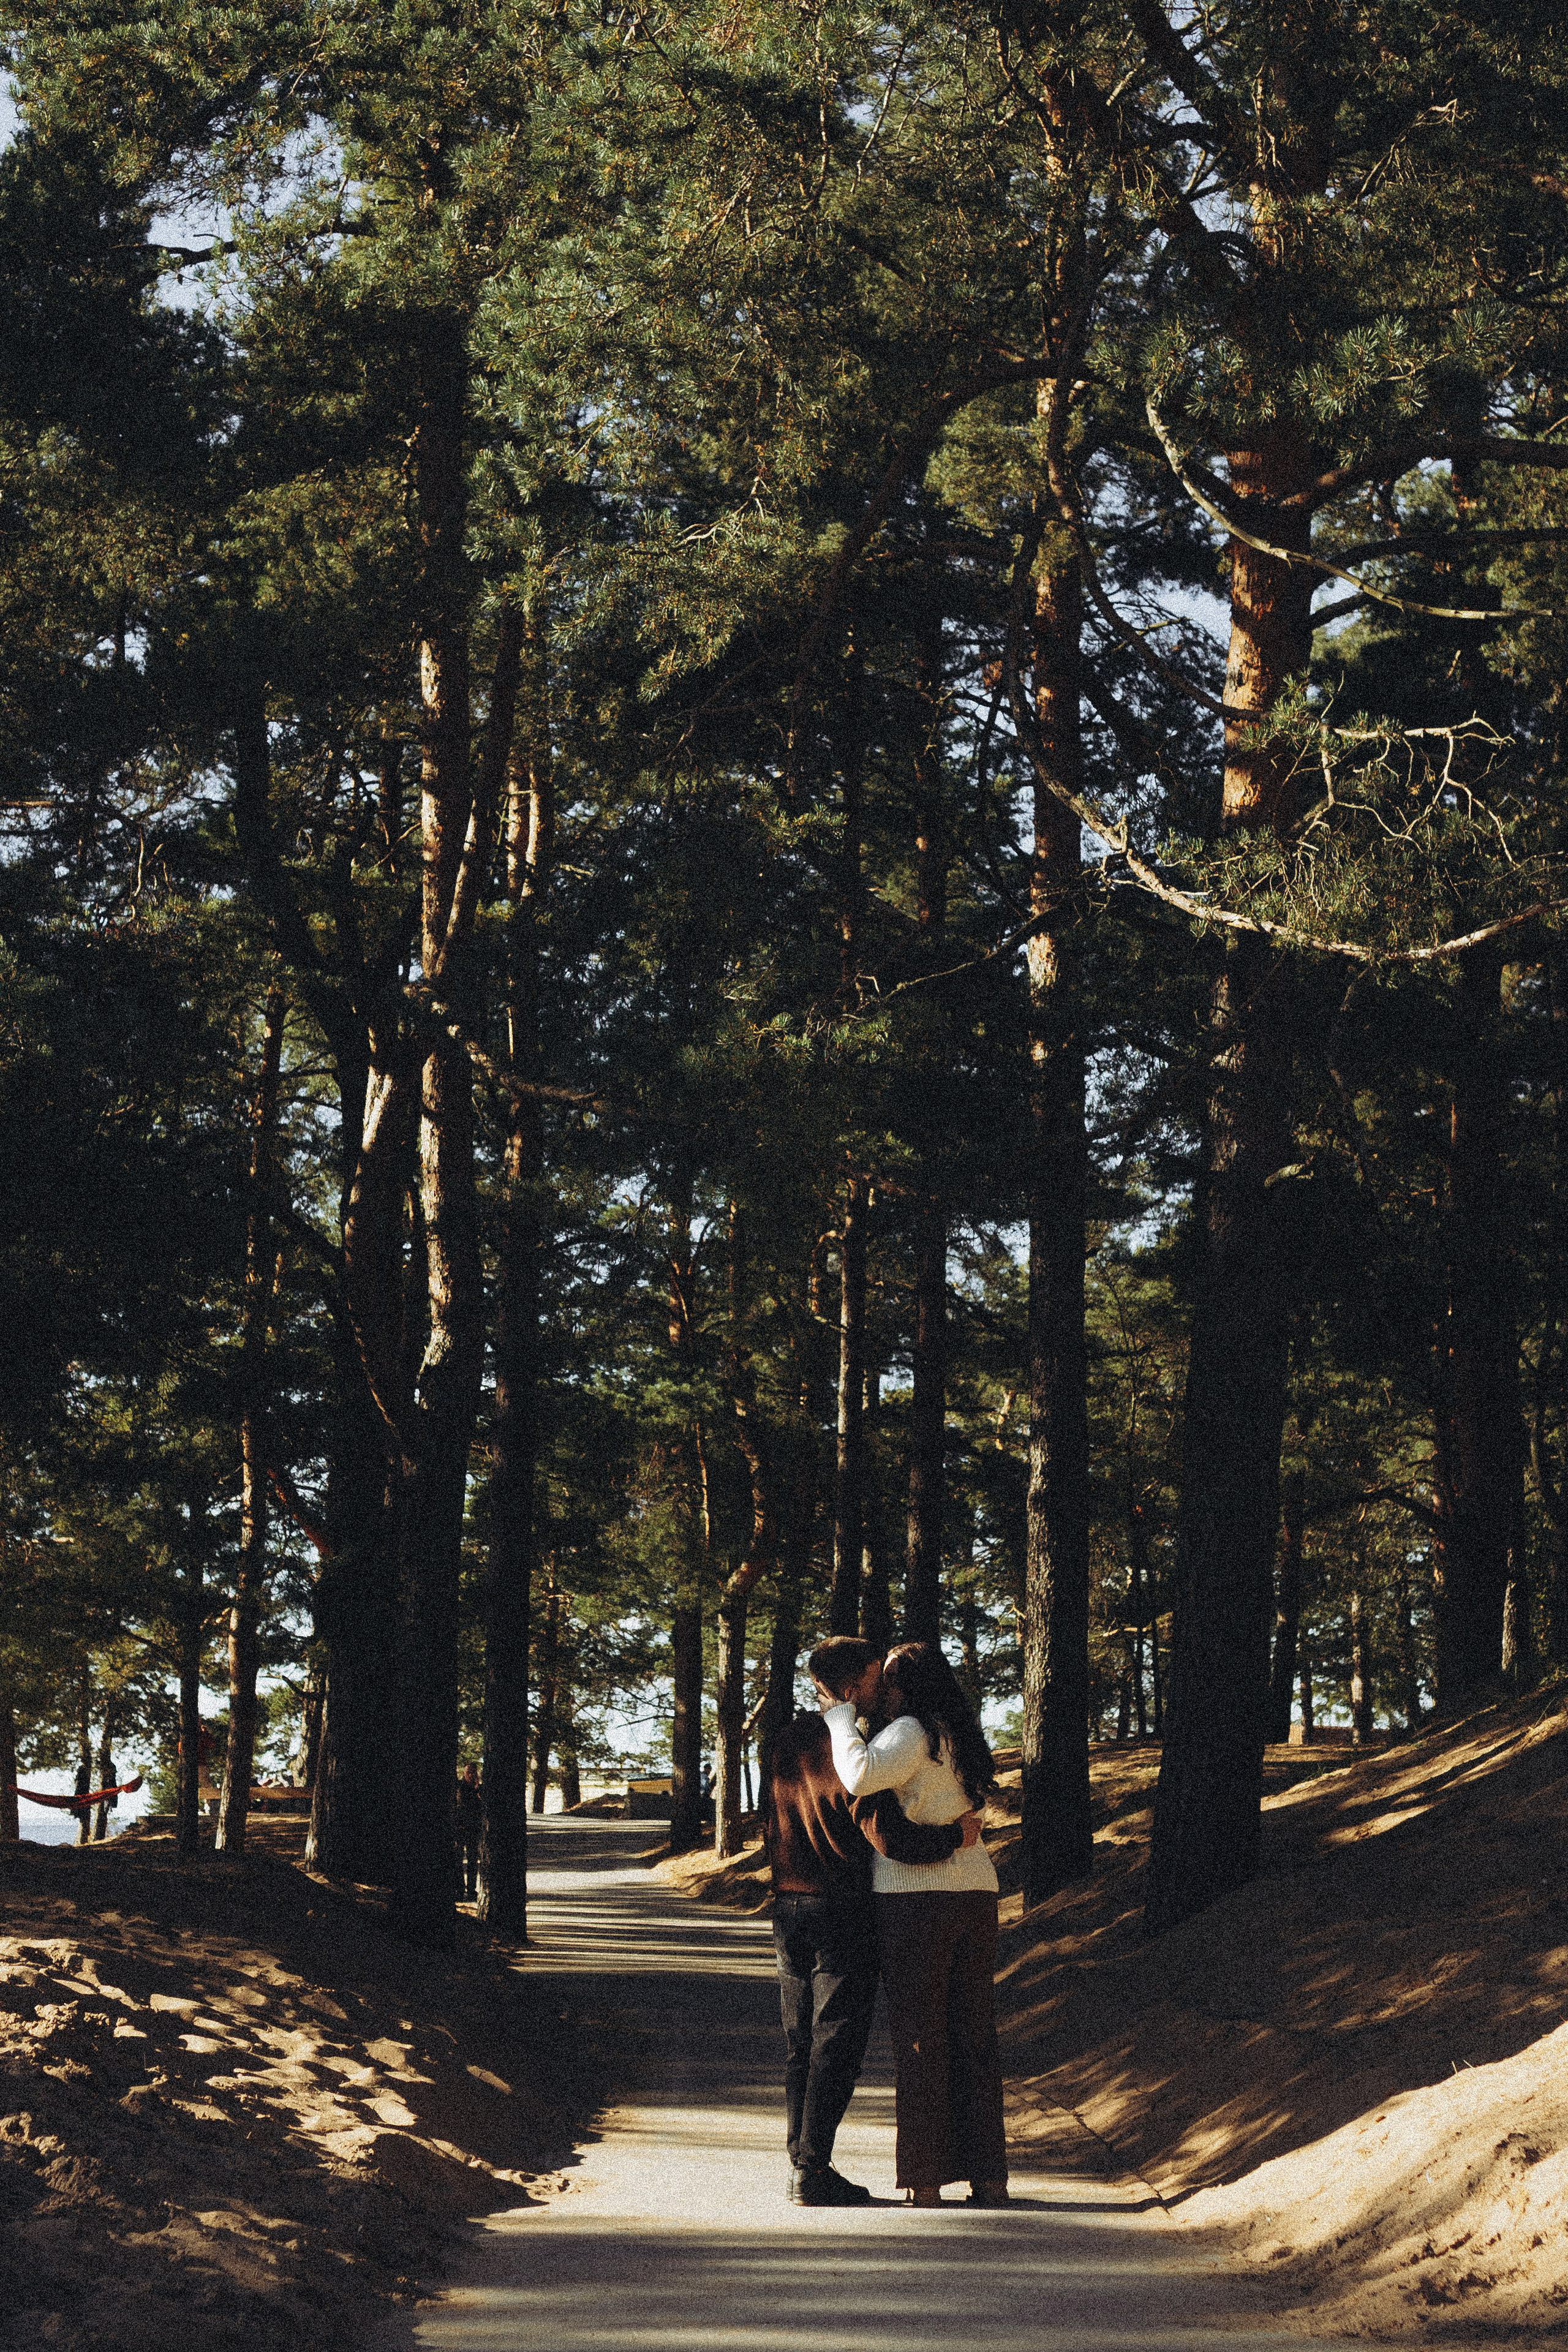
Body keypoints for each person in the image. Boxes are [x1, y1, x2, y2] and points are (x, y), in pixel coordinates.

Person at [765, 1634, 982, 2207]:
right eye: (876, 1678)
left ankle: (802, 2162)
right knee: (837, 2041)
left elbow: (774, 1822)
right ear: (856, 1684)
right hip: (843, 1908)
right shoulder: (854, 1748)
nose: (886, 1689)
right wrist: (953, 1837)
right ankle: (811, 2170)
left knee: (799, 2042)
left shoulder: (786, 1740)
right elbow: (886, 1834)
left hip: (787, 1904)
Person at [820, 1639, 1008, 2209]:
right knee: (974, 2037)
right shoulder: (961, 1735)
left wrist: (837, 1717)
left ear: (907, 1687)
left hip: (917, 1899)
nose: (883, 1689)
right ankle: (989, 2179)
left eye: (891, 1678)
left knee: (922, 2039)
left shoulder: (910, 1732)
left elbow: (856, 1775)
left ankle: (926, 2181)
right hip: (977, 1892)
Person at [454, 1761, 482, 1902]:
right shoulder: (459, 1787)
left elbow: (482, 1807)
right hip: (459, 1829)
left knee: (472, 1861)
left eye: (474, 1772)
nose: (471, 1775)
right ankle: (459, 1889)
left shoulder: (479, 1789)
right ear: (464, 1773)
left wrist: (478, 1789)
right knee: (457, 1861)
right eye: (469, 1772)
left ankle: (471, 1890)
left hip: (473, 1830)